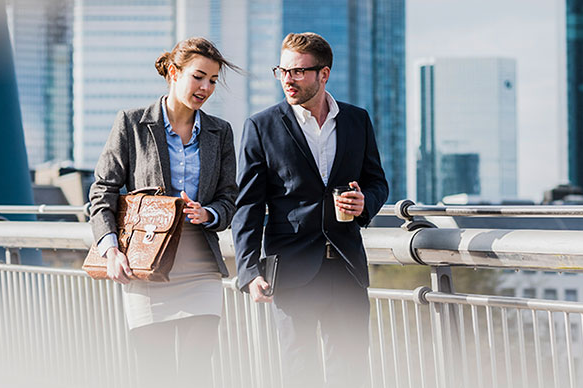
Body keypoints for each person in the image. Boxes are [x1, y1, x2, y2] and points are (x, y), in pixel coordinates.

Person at [232, 32, 388, 388]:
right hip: (292, 272)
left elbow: (377, 181)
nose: (288, 79)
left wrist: (367, 203)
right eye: (282, 71)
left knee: (351, 372)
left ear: (324, 74)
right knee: (299, 374)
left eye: (299, 72)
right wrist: (248, 270)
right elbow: (249, 206)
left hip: (347, 269)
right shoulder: (261, 126)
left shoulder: (356, 120)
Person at [87, 37, 239, 387]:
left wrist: (209, 214)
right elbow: (102, 190)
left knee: (196, 373)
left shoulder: (220, 132)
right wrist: (111, 250)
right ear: (173, 72)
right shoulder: (132, 123)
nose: (206, 87)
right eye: (198, 76)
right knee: (156, 375)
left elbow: (229, 199)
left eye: (213, 80)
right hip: (147, 269)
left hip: (201, 270)